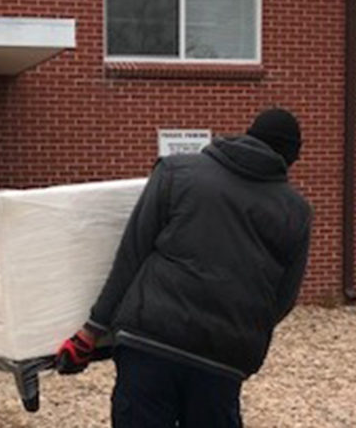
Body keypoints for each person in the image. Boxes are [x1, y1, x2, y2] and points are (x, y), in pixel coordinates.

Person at [55, 108, 313, 427]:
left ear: (248, 134)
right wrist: (238, 328)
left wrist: (91, 330)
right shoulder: (296, 212)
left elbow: (132, 255)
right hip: (222, 361)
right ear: (291, 158)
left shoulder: (178, 171)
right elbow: (283, 299)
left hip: (150, 343)